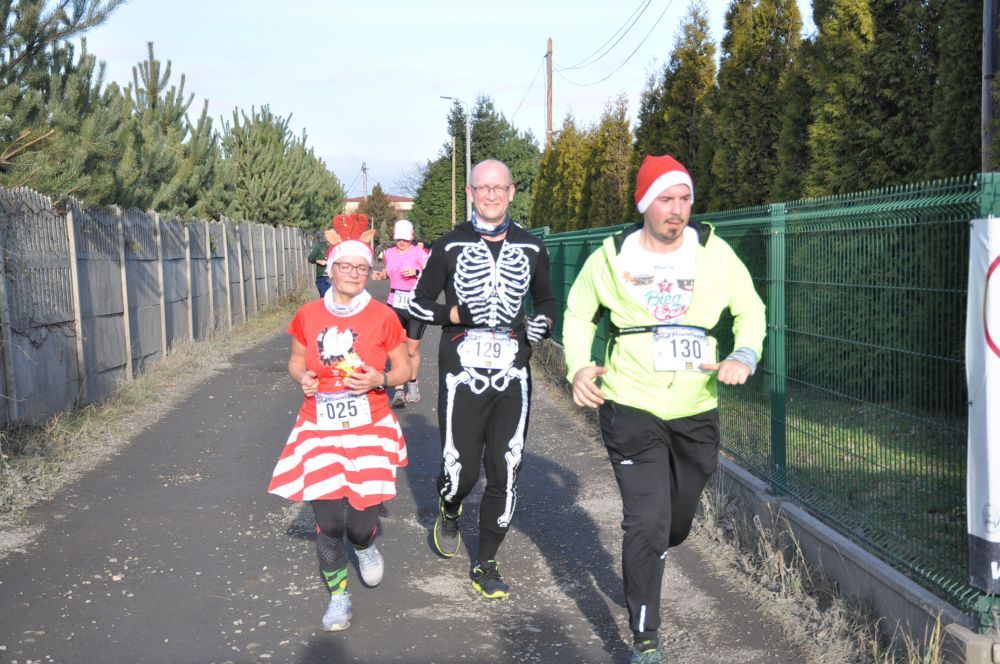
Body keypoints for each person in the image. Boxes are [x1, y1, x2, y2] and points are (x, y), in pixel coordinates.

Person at [563, 155, 766, 664]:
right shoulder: (612, 256)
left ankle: (653, 552)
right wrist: (579, 367)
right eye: (665, 199)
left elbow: (750, 308)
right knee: (647, 522)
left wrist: (744, 354)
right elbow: (579, 313)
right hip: (630, 403)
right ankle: (645, 638)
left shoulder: (714, 252)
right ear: (644, 204)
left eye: (684, 199)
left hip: (696, 407)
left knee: (674, 525)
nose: (676, 209)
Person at [409, 159, 556, 599]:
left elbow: (547, 299)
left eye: (499, 187)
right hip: (461, 372)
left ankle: (486, 562)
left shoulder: (532, 247)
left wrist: (544, 322)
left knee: (506, 467)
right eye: (483, 188)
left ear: (511, 192)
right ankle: (450, 506)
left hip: (512, 371)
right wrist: (454, 313)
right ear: (471, 193)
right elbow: (418, 303)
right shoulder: (449, 244)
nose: (491, 195)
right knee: (462, 471)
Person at [268, 221, 411, 632]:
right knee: (330, 522)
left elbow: (404, 369)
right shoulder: (308, 315)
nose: (353, 273)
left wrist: (380, 379)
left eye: (361, 268)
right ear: (330, 269)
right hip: (319, 425)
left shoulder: (383, 316)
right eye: (345, 266)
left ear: (369, 272)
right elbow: (296, 361)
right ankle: (338, 597)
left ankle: (364, 546)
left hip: (370, 425)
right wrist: (303, 378)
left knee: (360, 525)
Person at [370, 219, 429, 407]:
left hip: (415, 304)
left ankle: (412, 384)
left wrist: (417, 272)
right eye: (398, 239)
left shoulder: (419, 253)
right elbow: (389, 272)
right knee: (396, 348)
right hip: (394, 304)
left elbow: (432, 273)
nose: (401, 242)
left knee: (412, 349)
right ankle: (398, 390)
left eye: (405, 239)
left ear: (411, 237)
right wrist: (381, 275)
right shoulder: (389, 253)